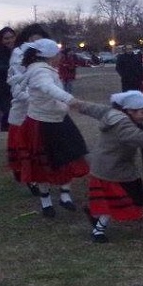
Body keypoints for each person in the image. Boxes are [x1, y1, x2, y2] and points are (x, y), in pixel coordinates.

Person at [78, 91, 143, 243]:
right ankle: (98, 231)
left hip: (112, 166)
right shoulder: (122, 122)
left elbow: (89, 107)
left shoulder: (113, 113)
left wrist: (73, 102)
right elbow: (137, 137)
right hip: (111, 170)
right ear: (130, 110)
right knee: (115, 200)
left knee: (126, 196)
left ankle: (95, 216)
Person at [21, 39, 89, 217]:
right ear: (51, 55)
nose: (60, 56)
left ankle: (65, 194)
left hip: (59, 118)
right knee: (43, 162)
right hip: (42, 122)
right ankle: (46, 200)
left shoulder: (44, 69)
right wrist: (70, 99)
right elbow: (48, 88)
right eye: (58, 53)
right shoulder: (39, 72)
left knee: (70, 155)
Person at [5, 23, 50, 192]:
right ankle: (27, 176)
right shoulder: (18, 55)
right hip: (24, 107)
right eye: (32, 39)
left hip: (43, 108)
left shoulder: (47, 55)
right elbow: (16, 84)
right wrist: (31, 97)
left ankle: (39, 176)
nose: (36, 42)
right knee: (24, 146)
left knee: (40, 146)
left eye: (39, 39)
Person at [0, 27, 17, 137]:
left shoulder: (19, 52)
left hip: (14, 93)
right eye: (6, 38)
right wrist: (15, 67)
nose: (10, 40)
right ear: (1, 40)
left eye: (12, 37)